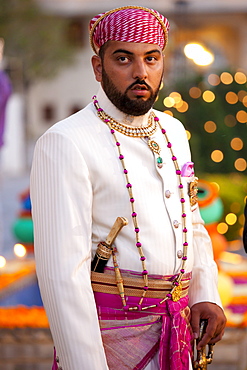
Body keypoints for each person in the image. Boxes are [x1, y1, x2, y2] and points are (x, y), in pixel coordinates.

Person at [30, 6, 226, 370]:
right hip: (108, 342)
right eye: (124, 58)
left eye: (151, 58)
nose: (141, 72)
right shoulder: (65, 142)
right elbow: (63, 279)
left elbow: (192, 222)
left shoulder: (172, 132)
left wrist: (205, 294)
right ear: (97, 67)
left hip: (175, 335)